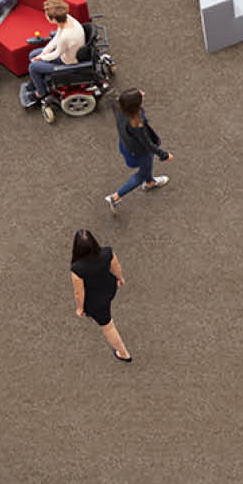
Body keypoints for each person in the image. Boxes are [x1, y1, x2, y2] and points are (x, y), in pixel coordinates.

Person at [105, 88, 172, 212]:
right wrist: (164, 155)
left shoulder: (118, 106)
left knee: (146, 170)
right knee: (141, 174)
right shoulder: (136, 123)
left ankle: (150, 182)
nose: (143, 93)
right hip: (141, 152)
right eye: (140, 96)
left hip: (126, 145)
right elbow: (148, 144)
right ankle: (115, 197)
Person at [69, 229, 132, 362]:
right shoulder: (107, 252)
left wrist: (80, 308)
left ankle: (124, 353)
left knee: (108, 326)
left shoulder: (77, 269)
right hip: (109, 288)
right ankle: (122, 352)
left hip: (95, 302)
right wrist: (120, 278)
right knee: (107, 319)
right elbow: (116, 267)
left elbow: (79, 293)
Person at [26, 0, 85, 101]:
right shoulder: (67, 19)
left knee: (32, 67)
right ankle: (37, 81)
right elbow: (56, 38)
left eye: (46, 15)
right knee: (32, 54)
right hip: (67, 52)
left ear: (53, 19)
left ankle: (41, 93)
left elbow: (56, 54)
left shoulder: (66, 36)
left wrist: (42, 58)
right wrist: (43, 53)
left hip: (67, 63)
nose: (45, 16)